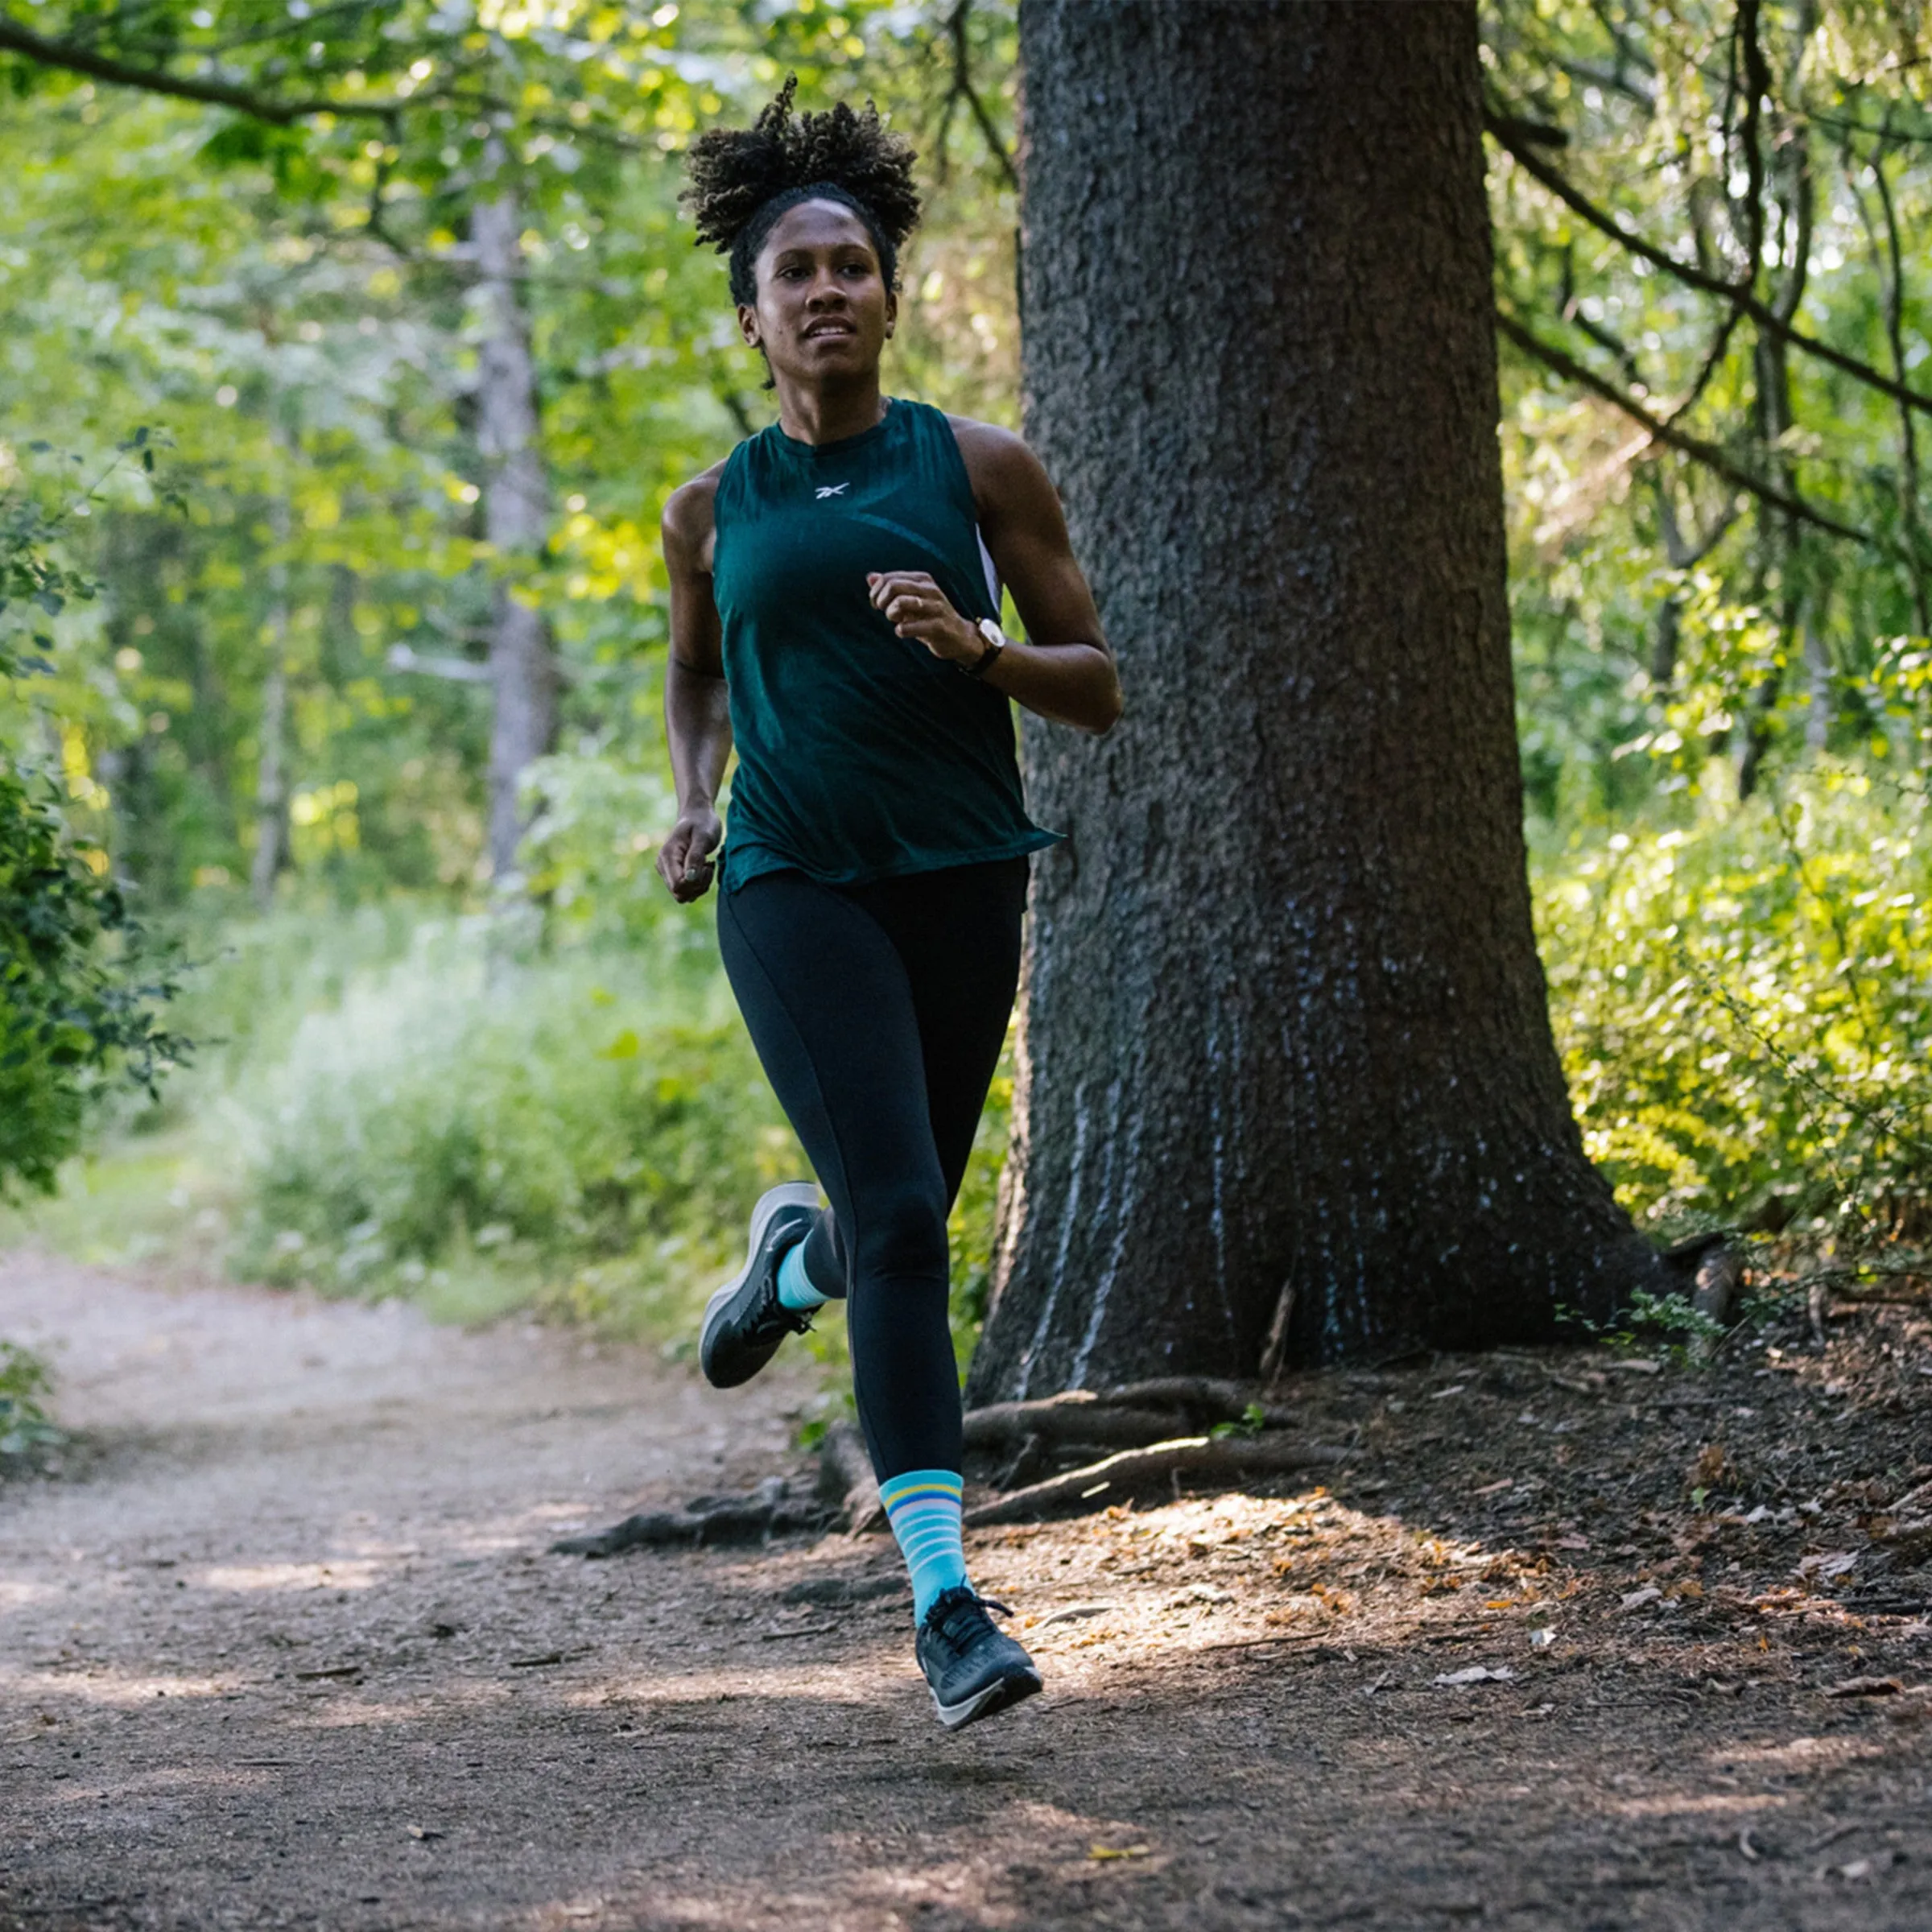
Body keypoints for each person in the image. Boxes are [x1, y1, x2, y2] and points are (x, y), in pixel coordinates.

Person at [654, 80, 1121, 1732]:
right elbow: (698, 678)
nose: (830, 290)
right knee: (916, 1219)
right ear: (755, 313)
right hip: (792, 884)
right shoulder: (711, 511)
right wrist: (695, 797)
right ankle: (945, 1604)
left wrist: (981, 651)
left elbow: (1101, 687)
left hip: (964, 876)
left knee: (893, 1205)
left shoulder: (977, 467)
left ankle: (792, 1270)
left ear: (892, 295)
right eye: (800, 273)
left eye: (854, 264)